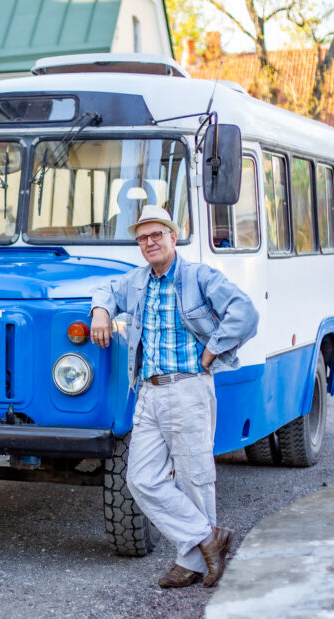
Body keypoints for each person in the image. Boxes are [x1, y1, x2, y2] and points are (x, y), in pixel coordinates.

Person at [90, 205, 258, 589]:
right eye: (142, 238)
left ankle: (191, 562)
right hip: (148, 392)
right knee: (141, 479)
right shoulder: (137, 281)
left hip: (187, 388)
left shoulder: (198, 277)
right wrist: (101, 312)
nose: (149, 243)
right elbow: (106, 289)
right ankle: (207, 537)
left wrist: (213, 349)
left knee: (194, 477)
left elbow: (244, 312)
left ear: (173, 237)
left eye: (156, 235)